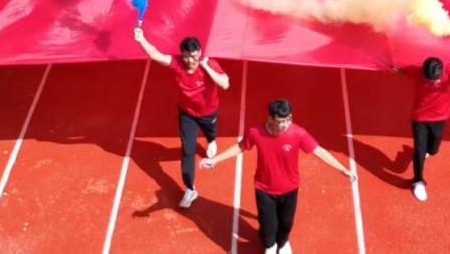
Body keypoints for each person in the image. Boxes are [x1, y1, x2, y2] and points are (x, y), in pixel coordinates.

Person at [201, 99, 356, 254]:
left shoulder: (298, 133)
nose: (284, 125)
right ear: (270, 118)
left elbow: (319, 151)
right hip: (264, 189)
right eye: (280, 121)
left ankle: (282, 243)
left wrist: (342, 168)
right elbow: (240, 147)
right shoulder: (255, 131)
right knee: (268, 227)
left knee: (286, 223)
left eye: (288, 120)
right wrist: (215, 159)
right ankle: (270, 246)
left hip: (290, 189)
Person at [134, 28, 230, 208]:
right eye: (186, 56)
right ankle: (190, 188)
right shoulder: (177, 63)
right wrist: (141, 39)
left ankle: (211, 141)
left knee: (211, 132)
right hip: (187, 114)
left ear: (199, 53)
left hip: (208, 112)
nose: (190, 60)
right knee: (187, 150)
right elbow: (155, 55)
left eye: (193, 56)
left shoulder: (210, 64)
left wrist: (206, 67)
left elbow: (225, 84)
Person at [402, 55, 450, 201]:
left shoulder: (447, 69)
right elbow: (400, 71)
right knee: (419, 151)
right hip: (420, 118)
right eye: (429, 79)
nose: (432, 82)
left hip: (439, 117)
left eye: (434, 79)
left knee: (433, 149)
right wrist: (393, 68)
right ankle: (418, 181)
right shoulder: (416, 70)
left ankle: (428, 151)